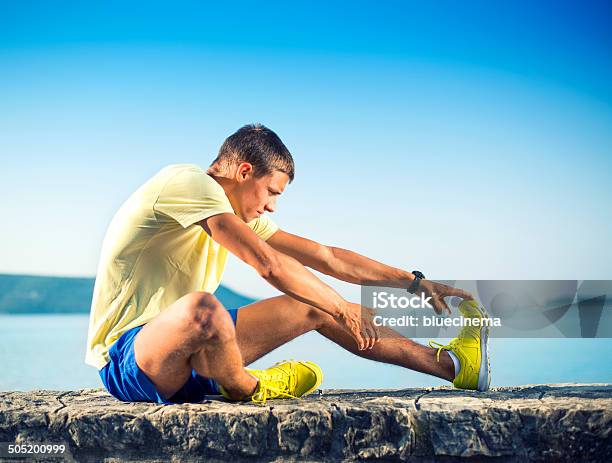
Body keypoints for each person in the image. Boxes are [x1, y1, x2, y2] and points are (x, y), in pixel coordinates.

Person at [85, 123, 490, 405]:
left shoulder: (237, 210)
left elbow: (326, 257)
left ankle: (455, 367)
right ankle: (248, 387)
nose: (271, 206)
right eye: (270, 191)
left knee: (312, 302)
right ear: (244, 171)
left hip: (200, 359)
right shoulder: (187, 183)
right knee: (202, 310)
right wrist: (343, 307)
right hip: (132, 359)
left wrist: (414, 282)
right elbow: (268, 265)